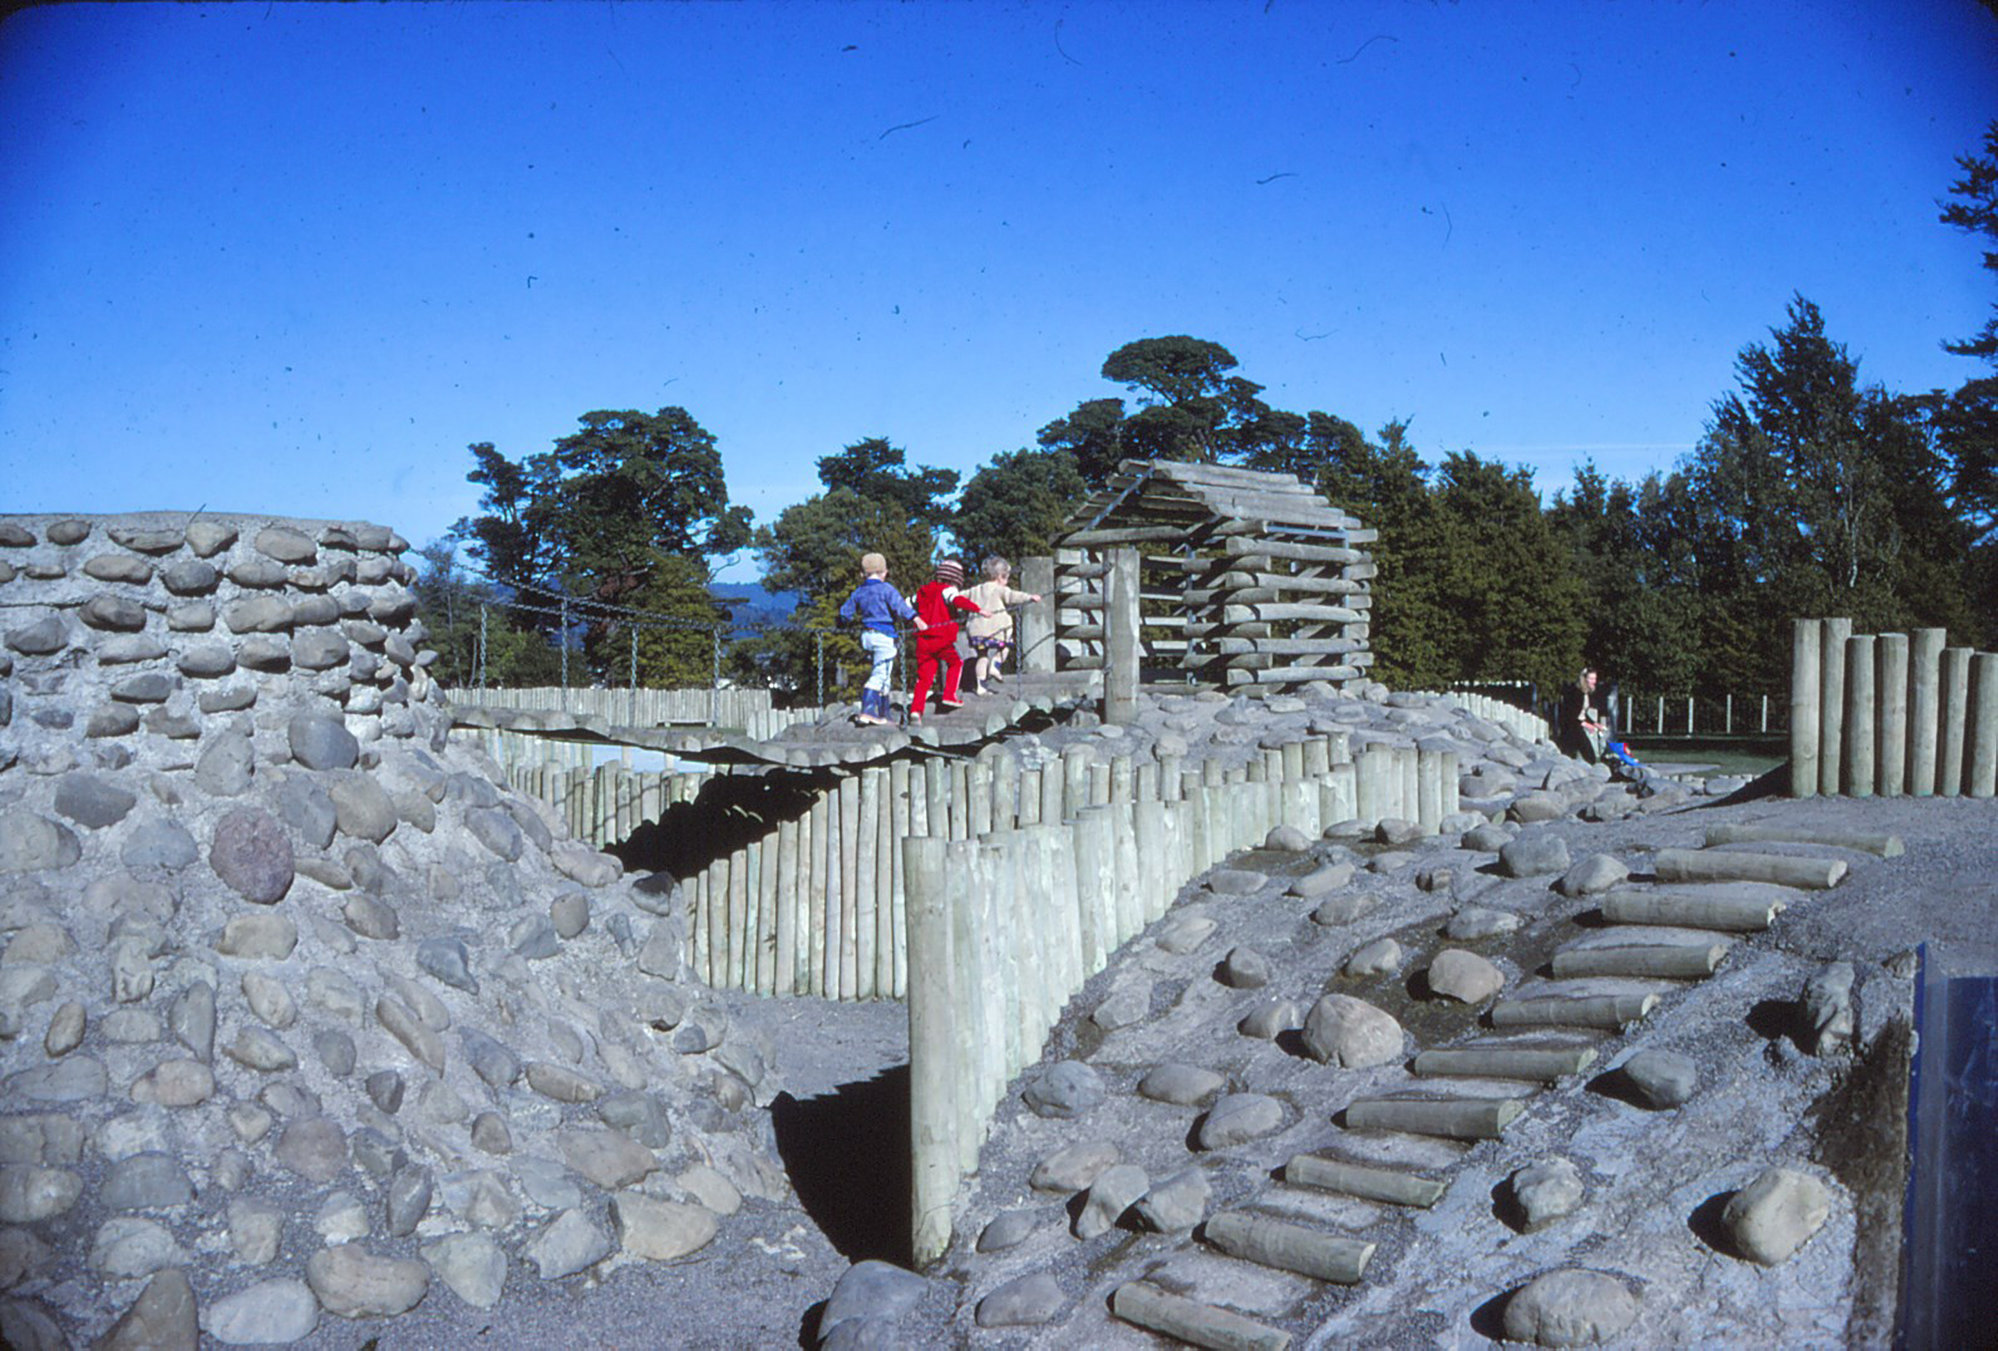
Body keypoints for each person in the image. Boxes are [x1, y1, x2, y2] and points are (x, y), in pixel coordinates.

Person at [838, 552, 921, 726]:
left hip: (867, 636)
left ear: (863, 574)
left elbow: (845, 613)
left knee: (885, 675)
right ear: (884, 572)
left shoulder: (859, 591)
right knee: (879, 674)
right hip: (884, 636)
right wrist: (916, 619)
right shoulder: (886, 589)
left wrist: (845, 623)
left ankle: (884, 714)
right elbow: (900, 607)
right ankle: (868, 710)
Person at [909, 558, 980, 721]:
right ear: (956, 579)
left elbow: (906, 604)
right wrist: (978, 609)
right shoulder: (948, 590)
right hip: (941, 639)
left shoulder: (922, 591)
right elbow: (957, 600)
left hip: (923, 641)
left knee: (924, 679)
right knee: (956, 663)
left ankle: (916, 711)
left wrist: (914, 619)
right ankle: (949, 695)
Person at [961, 556, 1042, 693]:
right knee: (1006, 646)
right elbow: (1013, 596)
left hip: (976, 631)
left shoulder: (974, 590)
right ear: (1001, 576)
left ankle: (981, 686)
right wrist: (1030, 597)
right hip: (996, 629)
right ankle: (996, 664)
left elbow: (958, 597)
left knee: (982, 655)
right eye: (1007, 577)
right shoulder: (999, 589)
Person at [1558, 667, 1608, 762]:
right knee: (1588, 756)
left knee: (1584, 756)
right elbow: (1572, 716)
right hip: (1571, 729)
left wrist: (1595, 724)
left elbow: (1582, 714)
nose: (1594, 682)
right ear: (1584, 679)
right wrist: (1587, 725)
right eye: (1591, 679)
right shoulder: (1577, 693)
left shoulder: (1585, 694)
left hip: (1577, 728)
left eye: (1595, 679)